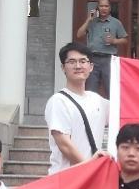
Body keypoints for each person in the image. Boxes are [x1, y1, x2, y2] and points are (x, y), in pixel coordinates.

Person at [44, 42, 108, 175]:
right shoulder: (58, 101)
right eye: (72, 62)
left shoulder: (98, 100)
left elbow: (126, 112)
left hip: (90, 177)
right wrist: (90, 168)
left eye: (83, 61)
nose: (78, 66)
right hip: (67, 178)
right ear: (63, 67)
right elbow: (64, 145)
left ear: (91, 67)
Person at [75, 0, 128, 98]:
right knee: (90, 90)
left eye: (106, 6)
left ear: (110, 8)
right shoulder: (92, 22)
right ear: (97, 8)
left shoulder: (116, 23)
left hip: (109, 60)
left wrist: (114, 41)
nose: (104, 8)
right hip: (93, 59)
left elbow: (125, 40)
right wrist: (88, 20)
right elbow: (79, 35)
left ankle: (111, 109)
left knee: (111, 90)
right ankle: (91, 108)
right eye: (101, 6)